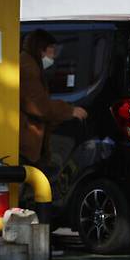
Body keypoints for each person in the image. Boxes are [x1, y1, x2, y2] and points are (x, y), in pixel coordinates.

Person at [20, 29, 88, 166]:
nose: (54, 55)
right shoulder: (28, 68)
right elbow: (40, 107)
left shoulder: (29, 64)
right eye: (52, 49)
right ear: (41, 49)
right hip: (25, 140)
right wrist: (70, 111)